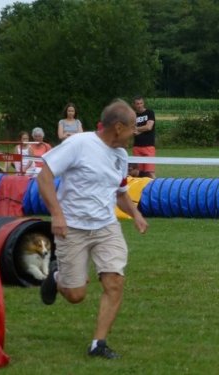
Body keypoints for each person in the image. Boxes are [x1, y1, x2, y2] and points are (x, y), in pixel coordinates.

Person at [37, 100, 148, 359]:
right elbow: (43, 177)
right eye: (132, 128)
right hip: (72, 227)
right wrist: (57, 214)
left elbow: (119, 192)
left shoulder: (120, 155)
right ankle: (56, 278)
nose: (135, 133)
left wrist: (136, 213)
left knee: (115, 281)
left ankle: (98, 344)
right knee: (76, 295)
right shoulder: (80, 144)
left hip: (106, 226)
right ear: (118, 127)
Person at [132, 95, 156, 179]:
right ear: (134, 105)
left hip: (148, 146)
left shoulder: (149, 113)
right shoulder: (133, 115)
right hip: (137, 147)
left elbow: (149, 127)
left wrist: (137, 129)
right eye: (137, 104)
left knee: (150, 172)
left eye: (141, 103)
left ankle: (155, 189)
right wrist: (140, 129)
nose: (139, 105)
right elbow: (131, 130)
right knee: (137, 172)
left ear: (143, 103)